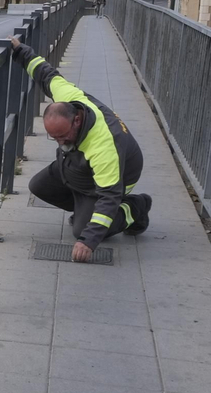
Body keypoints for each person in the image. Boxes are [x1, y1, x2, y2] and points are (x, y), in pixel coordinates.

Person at [10, 36, 151, 262]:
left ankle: (135, 208)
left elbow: (109, 193)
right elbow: (46, 74)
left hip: (114, 180)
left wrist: (89, 240)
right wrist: (20, 51)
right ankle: (85, 209)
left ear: (76, 121)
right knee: (38, 185)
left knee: (81, 230)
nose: (60, 142)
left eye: (63, 136)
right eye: (53, 138)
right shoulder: (69, 98)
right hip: (76, 167)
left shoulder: (103, 144)